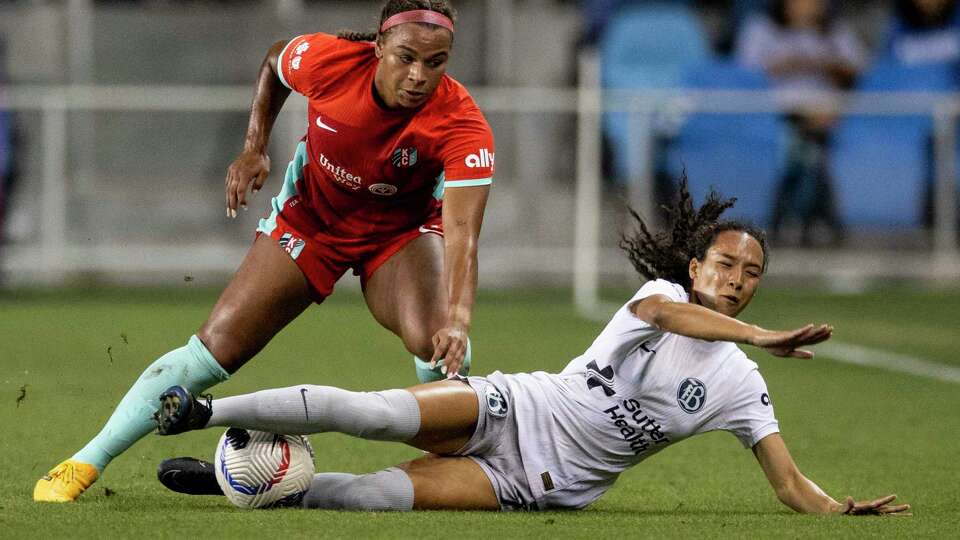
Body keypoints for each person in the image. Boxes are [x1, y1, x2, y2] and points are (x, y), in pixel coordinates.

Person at [152, 179, 910, 516]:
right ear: (695, 267)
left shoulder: (741, 386)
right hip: (519, 407)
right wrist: (761, 335)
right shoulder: (665, 301)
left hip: (543, 483)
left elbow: (787, 481)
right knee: (374, 413)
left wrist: (837, 511)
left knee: (376, 494)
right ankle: (205, 411)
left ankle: (242, 486)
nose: (738, 280)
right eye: (726, 265)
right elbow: (674, 320)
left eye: (752, 274)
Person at [34, 0, 496, 503]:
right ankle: (85, 461)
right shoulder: (330, 61)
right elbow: (276, 61)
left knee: (436, 339)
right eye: (406, 57)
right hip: (310, 221)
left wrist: (459, 318)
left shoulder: (463, 123)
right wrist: (255, 144)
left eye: (436, 62)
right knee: (214, 348)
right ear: (378, 46)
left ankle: (452, 457)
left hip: (399, 234)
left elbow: (463, 232)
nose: (418, 76)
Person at [735, 0, 866, 246]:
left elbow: (859, 72)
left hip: (828, 120)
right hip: (772, 121)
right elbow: (743, 78)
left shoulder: (835, 33)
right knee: (804, 151)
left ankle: (788, 222)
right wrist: (789, 65)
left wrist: (825, 65)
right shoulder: (760, 30)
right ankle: (808, 221)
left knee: (809, 150)